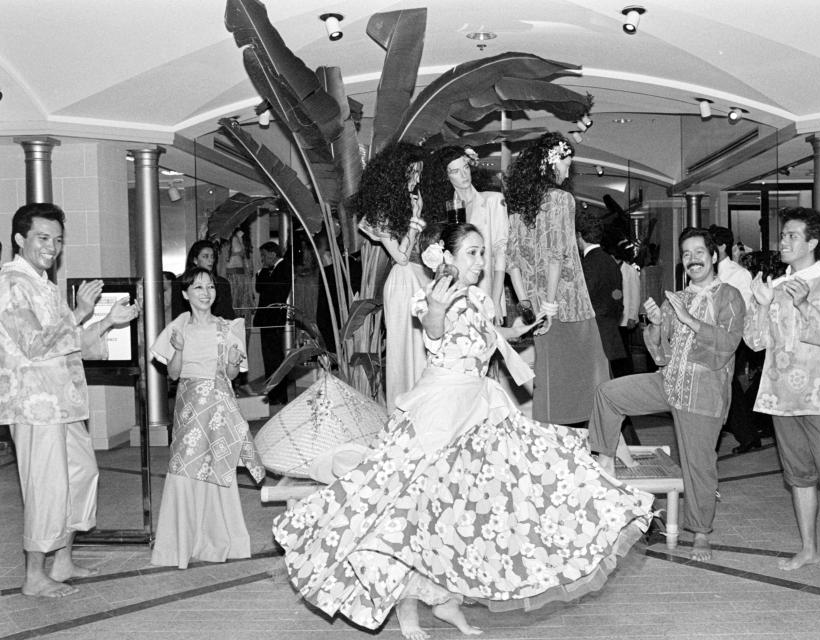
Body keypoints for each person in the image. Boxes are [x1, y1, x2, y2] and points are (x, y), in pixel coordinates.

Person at [273, 223, 655, 640]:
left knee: (466, 505)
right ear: (448, 257)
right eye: (471, 253)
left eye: (482, 253)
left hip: (480, 406)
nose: (480, 262)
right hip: (440, 411)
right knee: (409, 508)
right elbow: (434, 329)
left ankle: (447, 600)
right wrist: (437, 307)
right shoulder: (433, 298)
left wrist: (526, 328)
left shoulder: (479, 300)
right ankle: (409, 612)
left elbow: (493, 335)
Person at [0, 202, 140, 597]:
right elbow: (35, 344)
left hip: (63, 401)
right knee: (46, 486)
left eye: (58, 240)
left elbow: (71, 344)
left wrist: (109, 321)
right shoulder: (10, 283)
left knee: (80, 475)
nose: (52, 247)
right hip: (34, 404)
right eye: (43, 238)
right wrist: (79, 312)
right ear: (19, 239)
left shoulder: (43, 285)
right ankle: (33, 576)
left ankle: (61, 561)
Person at [588, 227, 744, 561]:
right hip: (670, 382)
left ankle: (701, 532)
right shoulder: (677, 298)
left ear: (714, 256)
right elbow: (661, 353)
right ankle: (605, 458)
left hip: (704, 393)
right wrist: (658, 323)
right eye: (686, 254)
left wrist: (689, 320)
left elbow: (728, 345)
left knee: (699, 465)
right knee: (609, 393)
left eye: (699, 253)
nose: (692, 260)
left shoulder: (729, 296)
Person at [744, 207, 820, 579]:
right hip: (780, 396)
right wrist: (760, 307)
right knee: (798, 476)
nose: (784, 241)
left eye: (792, 235)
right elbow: (755, 341)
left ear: (813, 242)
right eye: (784, 235)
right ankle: (809, 548)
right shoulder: (775, 287)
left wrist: (805, 304)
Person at [150, 266, 264, 568]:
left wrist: (230, 361)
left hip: (218, 406)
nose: (206, 293)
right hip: (189, 408)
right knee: (183, 468)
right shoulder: (178, 327)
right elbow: (173, 374)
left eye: (210, 286)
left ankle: (219, 540)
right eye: (198, 287)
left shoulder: (229, 328)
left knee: (218, 469)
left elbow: (230, 374)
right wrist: (177, 350)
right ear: (186, 294)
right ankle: (181, 544)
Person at [504, 132, 609, 424]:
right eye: (566, 163)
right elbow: (557, 255)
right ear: (551, 163)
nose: (568, 171)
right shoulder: (562, 200)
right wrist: (550, 304)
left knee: (550, 382)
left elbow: (511, 264)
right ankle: (606, 451)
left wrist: (530, 307)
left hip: (538, 311)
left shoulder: (518, 207)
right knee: (594, 382)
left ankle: (552, 448)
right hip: (569, 305)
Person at [354, 142, 429, 412]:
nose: (417, 179)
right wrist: (416, 219)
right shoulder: (381, 211)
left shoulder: (411, 202)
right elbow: (401, 256)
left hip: (422, 278)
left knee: (422, 347)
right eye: (413, 173)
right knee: (402, 349)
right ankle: (401, 412)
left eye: (419, 173)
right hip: (402, 282)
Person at [424, 145, 509, 322]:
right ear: (446, 176)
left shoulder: (494, 200)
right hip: (458, 296)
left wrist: (495, 299)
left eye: (465, 168)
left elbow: (501, 252)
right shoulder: (448, 209)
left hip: (488, 287)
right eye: (455, 171)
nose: (464, 175)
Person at [708, 224, 762, 454]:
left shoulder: (738, 274)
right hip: (713, 337)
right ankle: (743, 432)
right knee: (725, 385)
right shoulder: (708, 271)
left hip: (733, 337)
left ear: (721, 246)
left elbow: (745, 309)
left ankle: (747, 434)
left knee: (728, 384)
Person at [576, 211, 627, 370]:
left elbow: (583, 302)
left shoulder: (587, 264)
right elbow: (618, 302)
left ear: (579, 235)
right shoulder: (611, 262)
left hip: (592, 336)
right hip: (610, 334)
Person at [253, 240, 292, 404]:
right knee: (270, 358)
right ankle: (275, 395)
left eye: (263, 255)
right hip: (269, 319)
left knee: (274, 358)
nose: (262, 259)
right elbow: (260, 288)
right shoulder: (273, 270)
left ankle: (278, 395)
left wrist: (262, 272)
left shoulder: (282, 269)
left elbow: (267, 289)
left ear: (273, 254)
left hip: (273, 319)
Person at [172, 240, 236, 320]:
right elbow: (178, 315)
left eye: (212, 257)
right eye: (205, 256)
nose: (211, 260)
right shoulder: (180, 282)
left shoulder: (222, 283)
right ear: (195, 260)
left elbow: (228, 314)